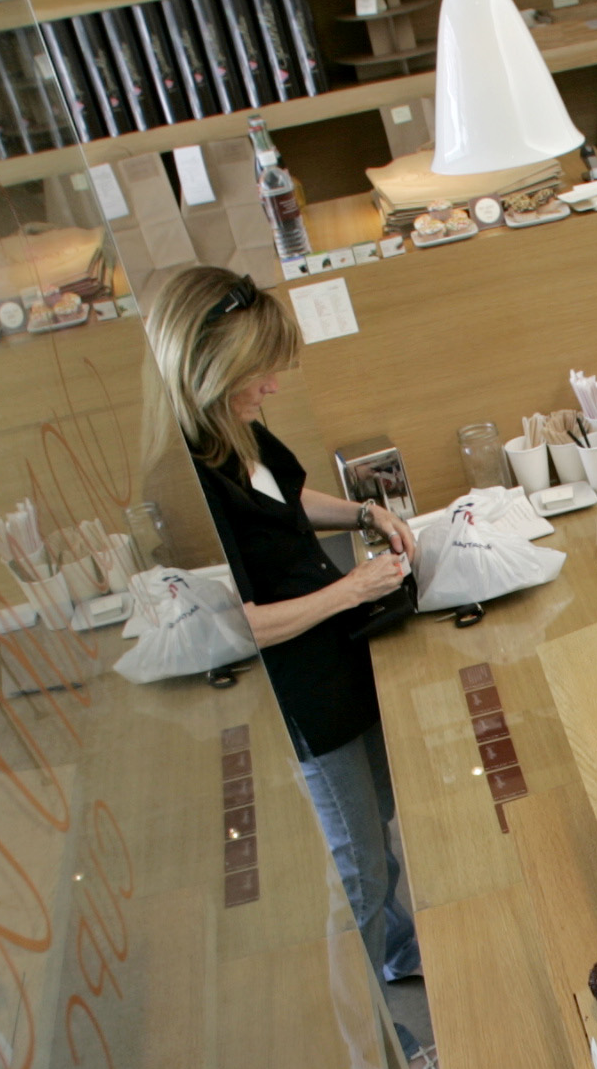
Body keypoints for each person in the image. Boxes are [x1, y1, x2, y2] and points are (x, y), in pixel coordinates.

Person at [148, 266, 430, 1022]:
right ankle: (366, 1042)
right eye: (257, 373)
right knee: (358, 869)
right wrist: (352, 589)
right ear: (208, 368)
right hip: (300, 690)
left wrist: (364, 515)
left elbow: (289, 498)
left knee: (379, 816)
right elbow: (242, 624)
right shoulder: (193, 476)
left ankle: (401, 952)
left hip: (337, 659)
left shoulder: (233, 431)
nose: (270, 387)